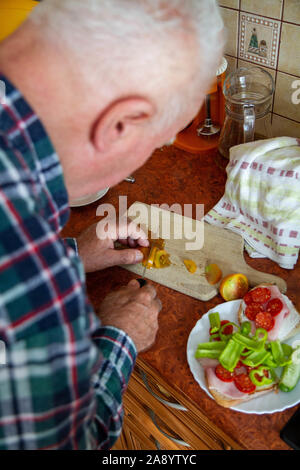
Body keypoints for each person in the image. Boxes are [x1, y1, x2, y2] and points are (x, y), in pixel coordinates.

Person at [0, 0, 224, 450]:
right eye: (159, 141)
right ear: (121, 123)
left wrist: (71, 255)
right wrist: (119, 338)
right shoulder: (18, 235)